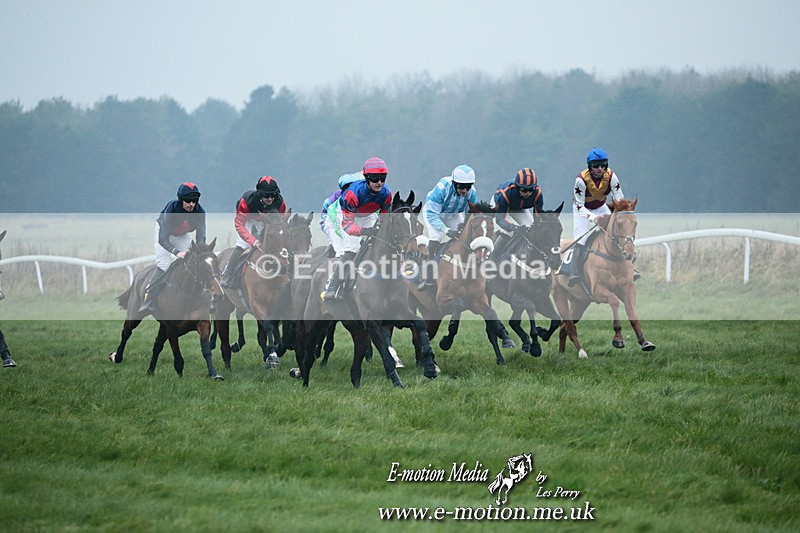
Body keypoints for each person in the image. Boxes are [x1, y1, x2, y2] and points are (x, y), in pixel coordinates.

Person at [321, 157, 391, 301]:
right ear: (367, 178)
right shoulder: (352, 194)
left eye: (382, 178)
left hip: (368, 214)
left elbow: (383, 218)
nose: (379, 183)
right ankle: (332, 287)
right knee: (351, 251)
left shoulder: (386, 194)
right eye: (375, 178)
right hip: (347, 216)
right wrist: (365, 231)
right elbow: (347, 226)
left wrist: (379, 228)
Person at [566, 147, 634, 286]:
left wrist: (621, 214)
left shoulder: (612, 176)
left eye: (603, 165)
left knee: (618, 231)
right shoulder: (580, 180)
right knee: (582, 238)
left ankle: (629, 267)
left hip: (601, 206)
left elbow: (619, 199)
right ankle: (573, 271)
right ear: (589, 166)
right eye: (596, 165)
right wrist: (593, 218)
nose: (600, 168)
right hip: (582, 209)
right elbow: (579, 205)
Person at [139, 182, 206, 313]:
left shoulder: (200, 212)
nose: (191, 204)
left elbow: (201, 238)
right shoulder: (171, 208)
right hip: (164, 233)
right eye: (187, 201)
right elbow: (162, 238)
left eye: (194, 201)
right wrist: (176, 252)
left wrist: (200, 251)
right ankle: (148, 299)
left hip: (182, 235)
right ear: (181, 200)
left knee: (193, 262)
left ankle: (201, 297)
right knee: (164, 264)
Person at [220, 175, 287, 289]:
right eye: (266, 196)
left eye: (272, 195)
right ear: (260, 194)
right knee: (243, 244)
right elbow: (239, 224)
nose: (270, 199)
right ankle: (227, 274)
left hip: (269, 222)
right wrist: (253, 241)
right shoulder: (247, 201)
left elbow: (281, 223)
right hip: (249, 220)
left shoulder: (280, 202)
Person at [423, 165, 479, 258]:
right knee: (436, 237)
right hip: (433, 214)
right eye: (462, 186)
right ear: (454, 183)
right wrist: (446, 230)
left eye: (468, 187)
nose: (465, 190)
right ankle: (426, 265)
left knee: (463, 235)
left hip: (453, 214)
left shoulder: (472, 193)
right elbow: (432, 215)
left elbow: (472, 214)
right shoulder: (442, 188)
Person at [490, 167, 543, 260]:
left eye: (531, 190)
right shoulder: (506, 193)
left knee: (531, 230)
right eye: (524, 190)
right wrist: (514, 227)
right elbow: (500, 220)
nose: (528, 193)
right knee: (509, 231)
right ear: (517, 187)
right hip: (500, 205)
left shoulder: (538, 193)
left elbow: (537, 218)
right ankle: (492, 259)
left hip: (518, 208)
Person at [320, 173, 364, 257]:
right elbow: (336, 225)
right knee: (341, 251)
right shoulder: (333, 201)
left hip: (350, 224)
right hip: (332, 225)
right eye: (347, 187)